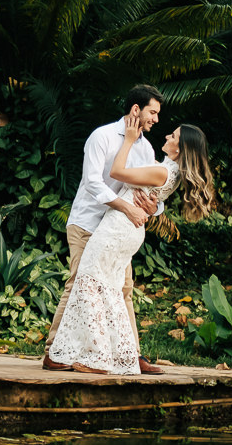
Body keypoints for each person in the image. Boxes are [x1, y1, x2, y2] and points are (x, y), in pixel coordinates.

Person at [46, 115, 214, 375]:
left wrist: (129, 142)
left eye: (173, 136)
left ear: (180, 149)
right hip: (121, 227)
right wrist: (155, 205)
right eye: (155, 115)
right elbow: (150, 191)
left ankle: (97, 356)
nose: (166, 135)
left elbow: (117, 172)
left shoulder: (159, 166)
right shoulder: (167, 169)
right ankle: (119, 353)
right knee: (109, 289)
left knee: (89, 283)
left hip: (117, 229)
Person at [44, 85, 166, 375]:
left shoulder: (145, 148)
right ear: (136, 110)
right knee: (78, 283)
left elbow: (152, 192)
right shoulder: (102, 137)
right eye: (153, 112)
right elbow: (92, 182)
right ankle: (53, 352)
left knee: (123, 288)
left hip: (115, 232)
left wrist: (153, 208)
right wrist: (126, 208)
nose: (156, 119)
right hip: (88, 223)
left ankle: (130, 354)